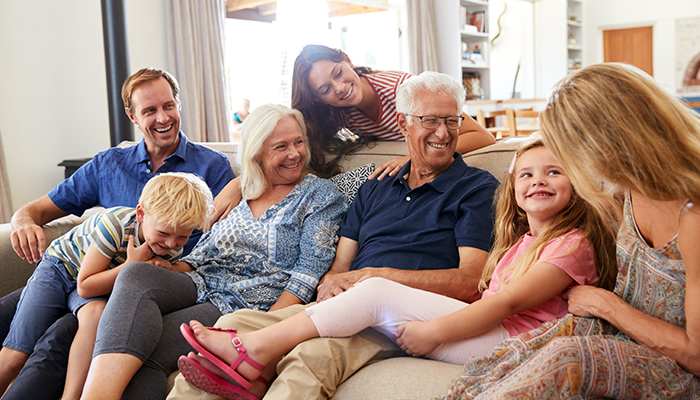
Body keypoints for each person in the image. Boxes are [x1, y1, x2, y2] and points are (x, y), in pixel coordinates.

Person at [175, 138, 618, 400]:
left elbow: (498, 300)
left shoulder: (566, 241)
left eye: (553, 172)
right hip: (385, 307)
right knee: (234, 321)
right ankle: (250, 350)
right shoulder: (378, 182)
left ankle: (253, 353)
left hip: (505, 339)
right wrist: (241, 180)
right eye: (525, 175)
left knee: (371, 296)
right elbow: (336, 248)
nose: (537, 180)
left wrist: (435, 331)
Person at [167, 71, 501, 400]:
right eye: (430, 120)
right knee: (232, 325)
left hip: (397, 318)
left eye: (452, 120)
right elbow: (340, 265)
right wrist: (330, 285)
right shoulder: (377, 185)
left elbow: (471, 281)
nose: (443, 132)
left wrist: (377, 277)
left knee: (310, 357)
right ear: (403, 124)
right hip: (348, 303)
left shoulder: (476, 189)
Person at [442, 63, 700, 399]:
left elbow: (696, 354)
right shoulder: (627, 192)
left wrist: (606, 306)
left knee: (565, 357)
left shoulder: (692, 216)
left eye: (571, 151)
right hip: (621, 335)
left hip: (679, 367)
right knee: (515, 353)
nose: (576, 165)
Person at [78, 104, 348, 400]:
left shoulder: (320, 196)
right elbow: (202, 254)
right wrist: (170, 269)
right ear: (257, 152)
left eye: (298, 142)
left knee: (151, 350)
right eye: (281, 146)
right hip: (199, 281)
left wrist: (265, 331)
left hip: (239, 302)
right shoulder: (244, 189)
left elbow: (308, 273)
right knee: (135, 272)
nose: (295, 153)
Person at [0, 67, 234, 400]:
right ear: (133, 116)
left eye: (168, 106)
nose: (163, 117)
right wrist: (24, 220)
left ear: (179, 105)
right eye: (150, 110)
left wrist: (243, 183)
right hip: (72, 268)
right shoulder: (108, 164)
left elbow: (221, 247)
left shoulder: (213, 168)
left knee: (57, 335)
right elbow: (37, 210)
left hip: (115, 294)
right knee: (8, 317)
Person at [208, 44, 497, 225]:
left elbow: (482, 136)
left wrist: (408, 157)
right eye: (325, 90)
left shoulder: (399, 88)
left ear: (347, 59)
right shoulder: (339, 110)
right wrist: (241, 183)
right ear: (320, 100)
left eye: (337, 72)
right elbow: (284, 147)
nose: (339, 88)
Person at [0, 172, 213, 399]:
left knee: (96, 313)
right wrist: (132, 264)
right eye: (163, 233)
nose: (171, 243)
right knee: (16, 356)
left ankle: (71, 397)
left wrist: (177, 266)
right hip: (62, 269)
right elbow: (85, 285)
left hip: (100, 281)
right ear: (141, 214)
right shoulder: (115, 225)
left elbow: (170, 266)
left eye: (182, 237)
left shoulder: (170, 246)